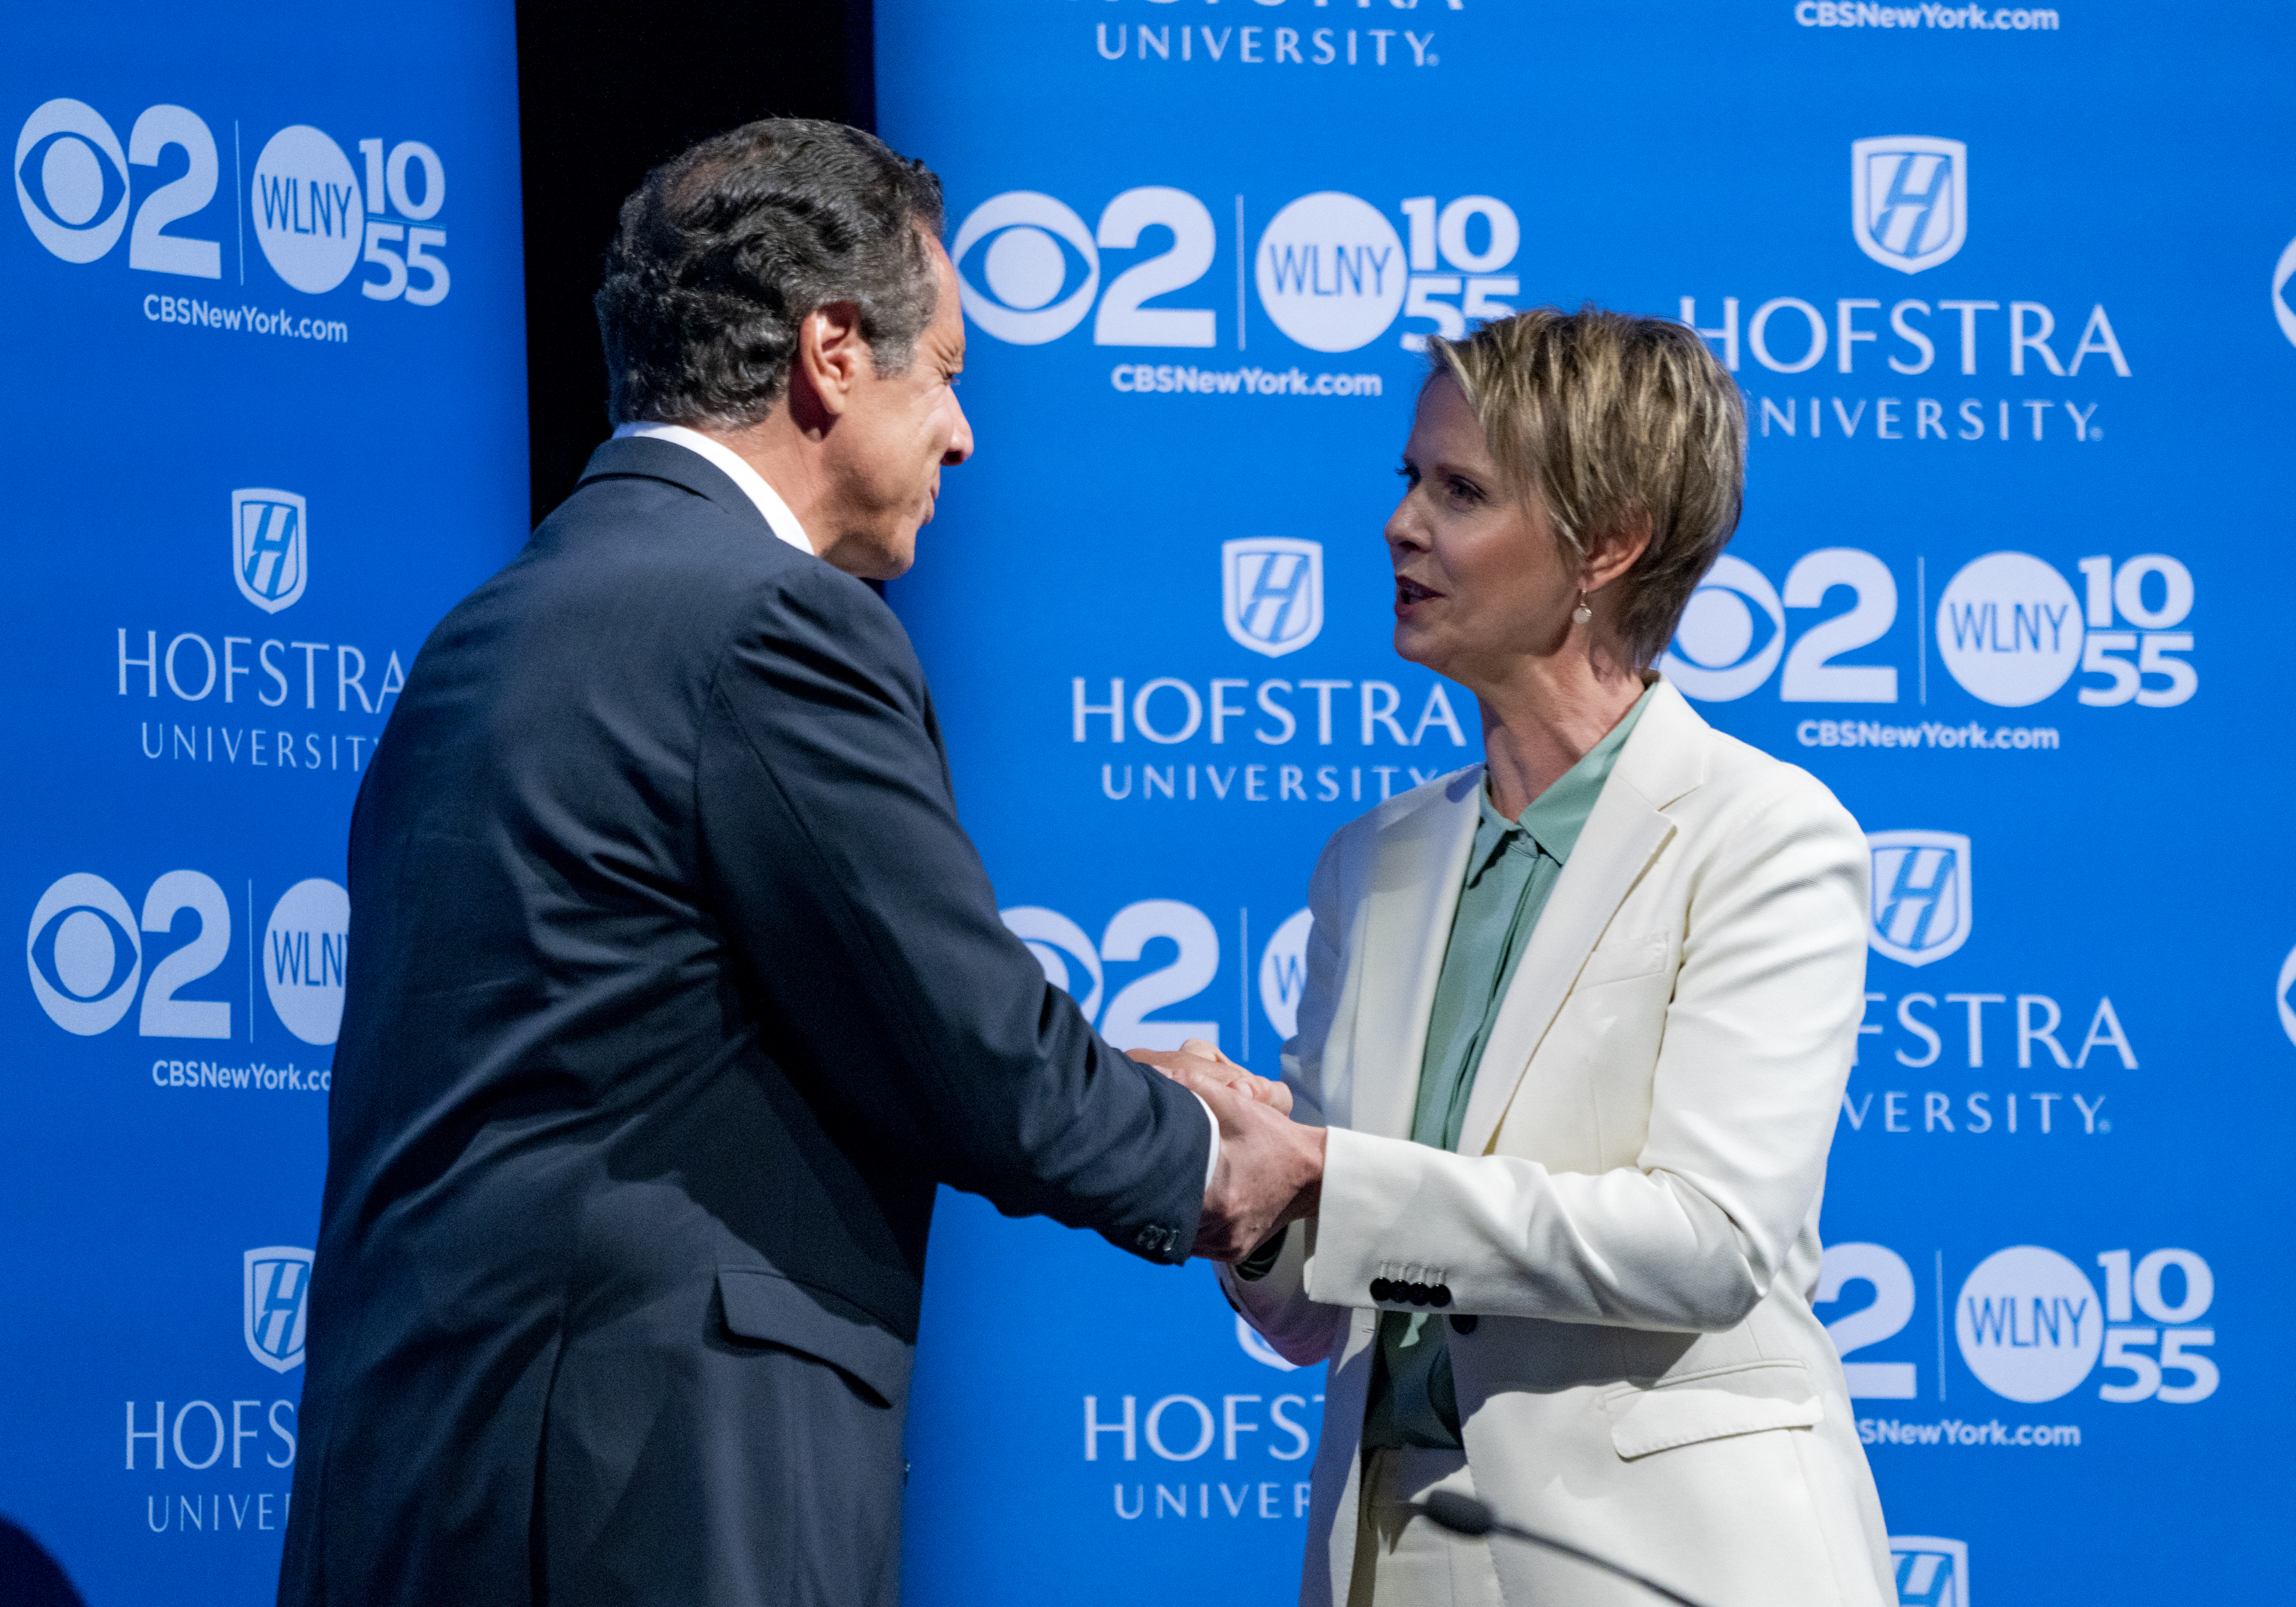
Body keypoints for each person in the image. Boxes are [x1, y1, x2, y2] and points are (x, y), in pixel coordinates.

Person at [276, 120, 1320, 1607]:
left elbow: (690, 1043)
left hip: (430, 1492)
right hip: (639, 1504)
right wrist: (1221, 1164)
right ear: (834, 353)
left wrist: (1123, 1082)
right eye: (948, 370)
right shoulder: (770, 623)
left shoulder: (496, 626)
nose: (964, 431)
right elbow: (974, 1052)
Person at [1217, 307, 1896, 1607]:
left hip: (1661, 1560)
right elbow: (1317, 1311)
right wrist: (1236, 1186)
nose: (1400, 524)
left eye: (1459, 490)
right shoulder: (1371, 861)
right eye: (1409, 479)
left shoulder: (1765, 835)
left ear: (1610, 543)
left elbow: (1708, 1239)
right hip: (1386, 1551)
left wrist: (1326, 1170)